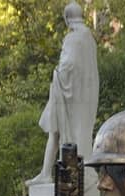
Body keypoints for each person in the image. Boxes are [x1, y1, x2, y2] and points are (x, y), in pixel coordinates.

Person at [35, 3, 100, 184]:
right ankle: (46, 173)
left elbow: (68, 64)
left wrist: (57, 74)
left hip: (66, 92)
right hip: (82, 95)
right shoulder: (89, 38)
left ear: (66, 18)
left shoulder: (73, 37)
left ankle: (47, 173)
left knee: (55, 131)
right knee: (56, 131)